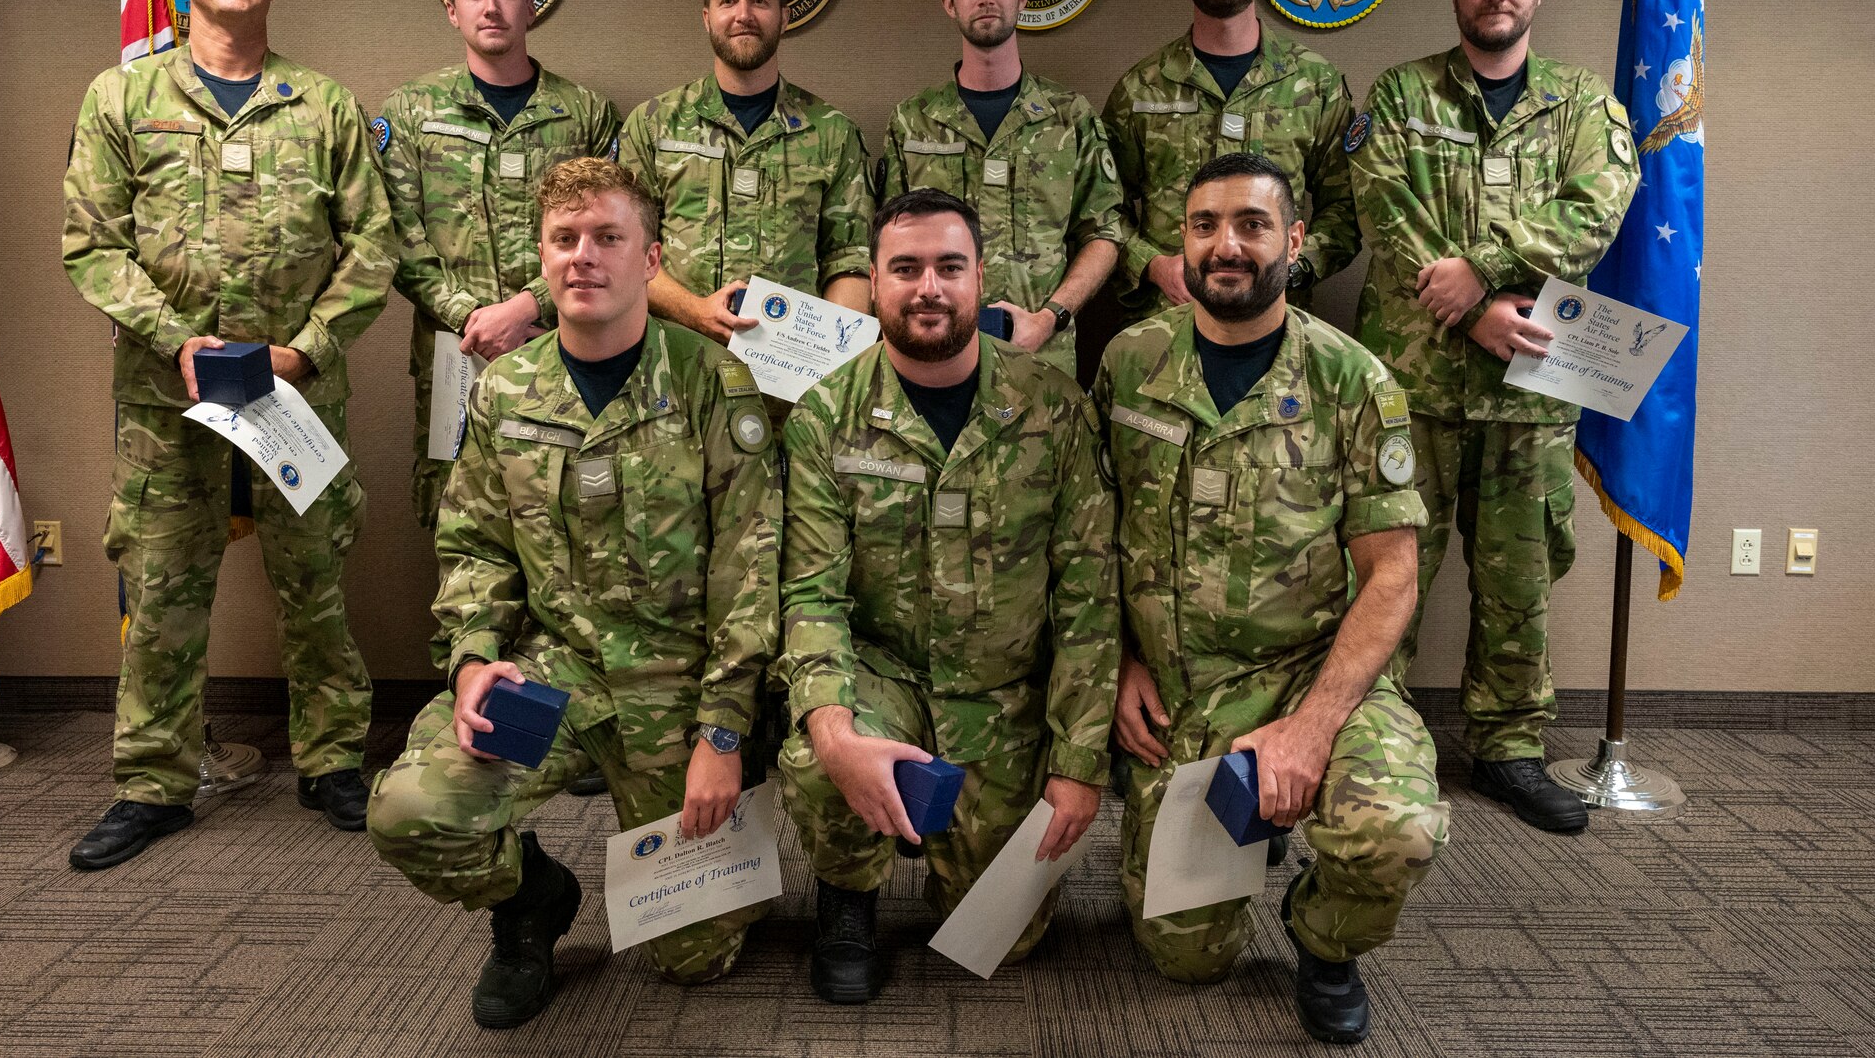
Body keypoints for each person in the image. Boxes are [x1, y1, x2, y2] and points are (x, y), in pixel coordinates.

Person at [366, 158, 781, 1029]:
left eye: (607, 238)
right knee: (414, 812)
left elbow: (749, 573)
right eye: (564, 240)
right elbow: (476, 542)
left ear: (651, 259)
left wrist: (723, 731)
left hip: (678, 683)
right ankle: (532, 901)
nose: (583, 257)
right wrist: (475, 656)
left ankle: (720, 827)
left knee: (694, 958)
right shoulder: (508, 389)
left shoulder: (713, 383)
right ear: (543, 256)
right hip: (558, 669)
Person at [61, 0, 396, 868]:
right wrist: (175, 340)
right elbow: (92, 244)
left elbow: (371, 248)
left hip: (296, 396)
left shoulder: (322, 105)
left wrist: (307, 348)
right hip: (170, 403)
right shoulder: (120, 100)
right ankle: (153, 782)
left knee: (316, 584)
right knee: (163, 590)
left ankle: (332, 761)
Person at [1098, 153, 1447, 1046]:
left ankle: (1324, 936)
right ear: (1182, 241)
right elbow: (1086, 536)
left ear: (1292, 241)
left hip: (1312, 672)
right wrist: (1119, 662)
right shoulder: (1129, 363)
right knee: (1186, 958)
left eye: (1252, 224)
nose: (1227, 245)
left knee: (1393, 831)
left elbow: (1392, 577)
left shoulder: (1354, 381)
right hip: (1180, 689)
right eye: (1206, 224)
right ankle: (1241, 828)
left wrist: (1312, 726)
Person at [777, 188, 1118, 1003]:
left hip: (1004, 692)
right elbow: (810, 592)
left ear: (980, 279)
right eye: (905, 268)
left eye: (948, 266)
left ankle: (967, 844)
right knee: (818, 757)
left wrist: (1077, 762)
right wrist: (830, 726)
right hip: (883, 676)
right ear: (875, 283)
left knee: (1001, 943)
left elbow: (1089, 597)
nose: (927, 286)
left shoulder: (1053, 410)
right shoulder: (826, 414)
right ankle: (848, 893)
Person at [1348, 0, 1640, 833]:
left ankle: (1511, 747)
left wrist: (1483, 263)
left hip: (1532, 395)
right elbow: (1383, 211)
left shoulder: (1585, 105)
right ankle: (1370, 739)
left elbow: (1598, 210)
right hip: (1415, 388)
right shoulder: (1401, 93)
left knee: (1519, 581)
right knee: (1389, 570)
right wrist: (1474, 310)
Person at [377, 0, 621, 529]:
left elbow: (607, 235)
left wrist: (524, 308)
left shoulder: (584, 115)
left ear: (530, 6)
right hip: (451, 356)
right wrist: (471, 316)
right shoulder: (411, 112)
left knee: (566, 512)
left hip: (560, 344)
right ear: (452, 9)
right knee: (456, 519)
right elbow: (394, 235)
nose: (491, 6)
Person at [879, 0, 1122, 378]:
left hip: (1040, 358)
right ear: (950, 2)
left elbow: (1104, 234)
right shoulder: (913, 121)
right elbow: (886, 244)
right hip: (932, 356)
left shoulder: (1070, 117)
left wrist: (1051, 316)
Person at [1102, 0, 1358, 323]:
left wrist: (1287, 268)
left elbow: (1347, 208)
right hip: (1167, 324)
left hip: (1276, 324)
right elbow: (1104, 208)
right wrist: (1152, 265)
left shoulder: (1316, 85)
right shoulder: (1140, 89)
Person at [617, 0, 872, 349]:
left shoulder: (832, 133)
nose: (743, 15)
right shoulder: (653, 125)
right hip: (672, 368)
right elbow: (624, 253)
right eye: (728, 1)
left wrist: (830, 356)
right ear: (707, 17)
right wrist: (694, 311)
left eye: (759, 1)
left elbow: (849, 259)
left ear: (784, 17)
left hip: (788, 384)